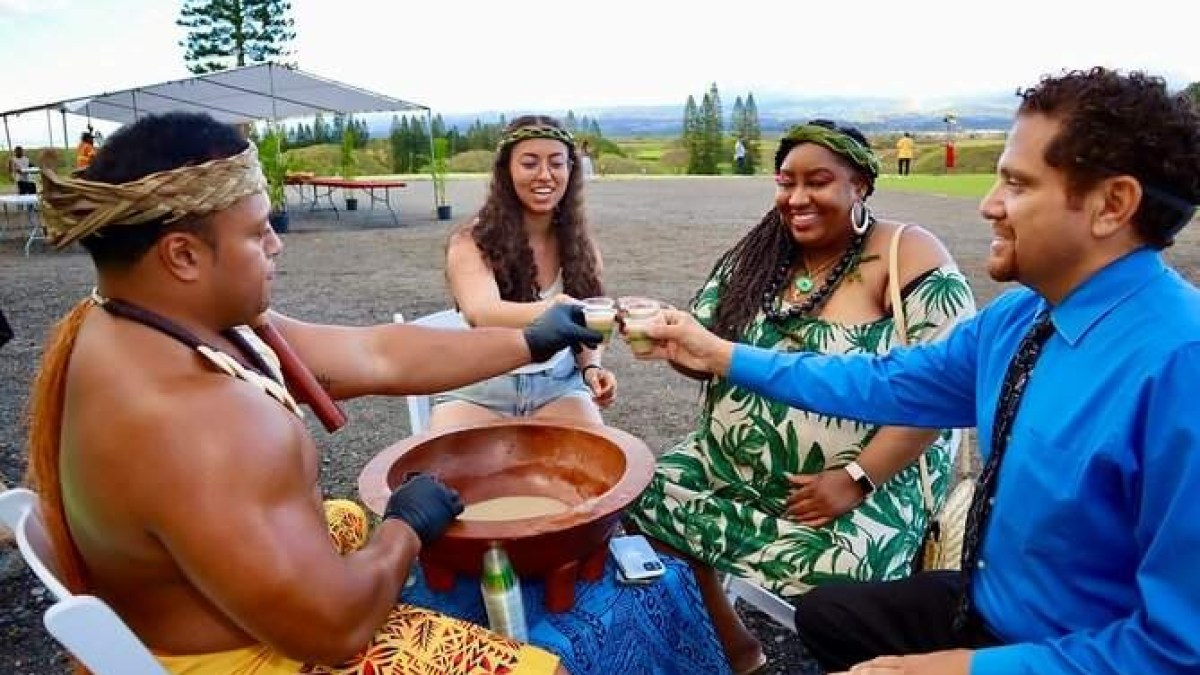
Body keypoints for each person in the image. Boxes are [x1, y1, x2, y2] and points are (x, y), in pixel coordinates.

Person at [633, 67, 1200, 675]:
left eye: (1016, 183)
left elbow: (1178, 649)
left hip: (1071, 647)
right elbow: (881, 381)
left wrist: (957, 669)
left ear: (1112, 205)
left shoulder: (1179, 368)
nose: (989, 204)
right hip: (988, 605)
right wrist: (723, 355)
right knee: (827, 618)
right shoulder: (1021, 318)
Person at [27, 111, 600, 674]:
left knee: (344, 515)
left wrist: (529, 341)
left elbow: (375, 354)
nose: (276, 244)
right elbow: (335, 629)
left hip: (187, 608)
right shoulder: (202, 419)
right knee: (542, 668)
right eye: (257, 232)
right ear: (182, 255)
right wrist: (404, 528)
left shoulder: (145, 321)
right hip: (245, 657)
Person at [626, 119, 976, 674]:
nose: (797, 198)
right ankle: (736, 645)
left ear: (860, 184)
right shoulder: (756, 257)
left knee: (849, 576)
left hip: (869, 478)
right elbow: (708, 355)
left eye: (818, 181)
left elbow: (941, 389)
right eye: (786, 182)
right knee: (640, 496)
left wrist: (855, 479)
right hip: (729, 462)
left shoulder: (908, 254)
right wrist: (673, 344)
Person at [430, 115, 616, 429]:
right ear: (506, 170)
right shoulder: (471, 241)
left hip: (558, 386)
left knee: (595, 457)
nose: (545, 175)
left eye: (556, 163)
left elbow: (587, 324)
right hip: (480, 384)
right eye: (530, 163)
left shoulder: (581, 246)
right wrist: (555, 308)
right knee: (452, 461)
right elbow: (481, 313)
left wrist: (591, 369)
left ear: (571, 170)